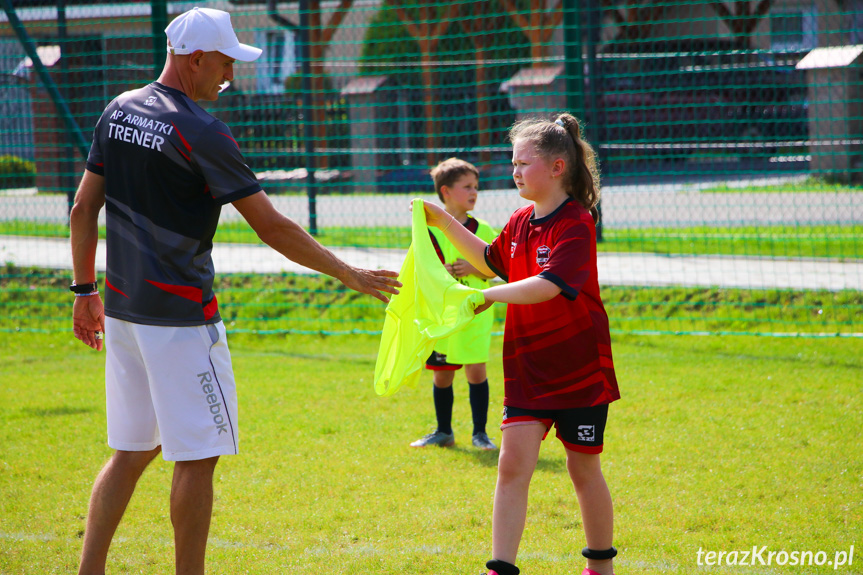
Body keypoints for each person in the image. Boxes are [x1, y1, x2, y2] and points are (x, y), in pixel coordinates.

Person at [69, 8, 399, 575]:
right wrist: (351, 274)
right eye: (225, 62)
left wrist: (83, 291)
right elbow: (271, 227)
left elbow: (82, 207)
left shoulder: (117, 109)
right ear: (194, 59)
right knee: (197, 457)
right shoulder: (201, 131)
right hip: (181, 320)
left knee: (131, 452)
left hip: (123, 313)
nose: (230, 75)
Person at [418, 113, 620, 575]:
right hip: (528, 368)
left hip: (578, 369)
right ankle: (501, 569)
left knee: (583, 470)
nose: (514, 172)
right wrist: (444, 222)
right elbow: (490, 260)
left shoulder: (576, 222)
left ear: (556, 168)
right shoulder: (519, 220)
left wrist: (483, 296)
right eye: (512, 163)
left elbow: (547, 284)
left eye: (523, 163)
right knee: (511, 468)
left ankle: (600, 568)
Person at [409, 158, 497, 451]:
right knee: (442, 373)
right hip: (442, 313)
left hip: (475, 311)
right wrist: (438, 274)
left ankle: (480, 434)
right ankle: (444, 431)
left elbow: (495, 268)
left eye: (476, 187)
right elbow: (419, 266)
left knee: (476, 370)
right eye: (467, 187)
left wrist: (473, 269)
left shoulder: (482, 228)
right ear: (445, 192)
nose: (474, 192)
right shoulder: (428, 228)